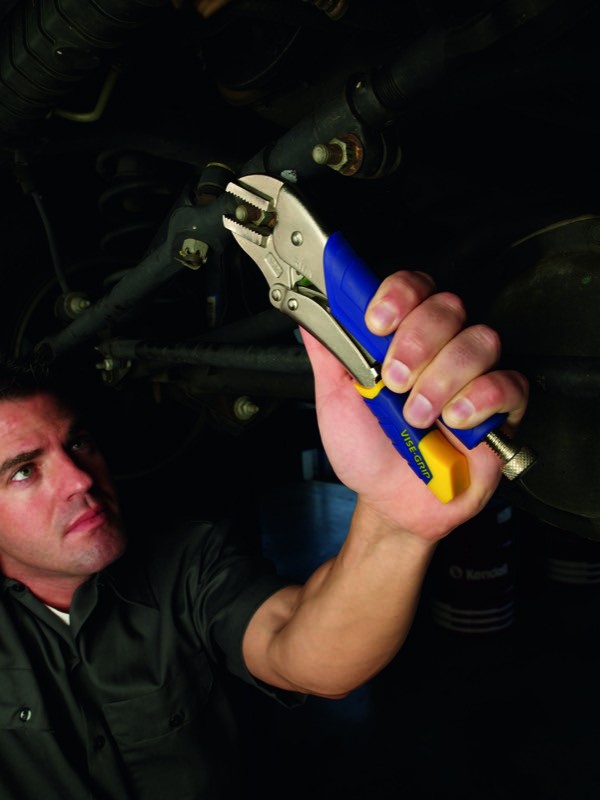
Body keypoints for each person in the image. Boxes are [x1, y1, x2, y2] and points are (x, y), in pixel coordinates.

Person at [0, 270, 528, 799]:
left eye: (78, 444)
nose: (80, 480)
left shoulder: (186, 557)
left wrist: (395, 523)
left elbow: (302, 650)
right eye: (24, 471)